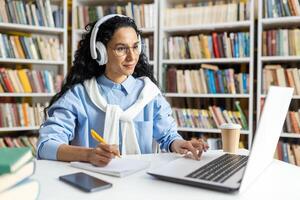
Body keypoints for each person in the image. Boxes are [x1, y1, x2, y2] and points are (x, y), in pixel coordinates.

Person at [37, 14, 208, 167]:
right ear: (100, 52)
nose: (132, 57)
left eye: (135, 47)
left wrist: (179, 144)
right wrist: (88, 154)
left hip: (141, 183)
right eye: (121, 48)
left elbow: (168, 136)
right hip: (92, 182)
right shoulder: (78, 95)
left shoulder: (148, 94)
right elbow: (46, 146)